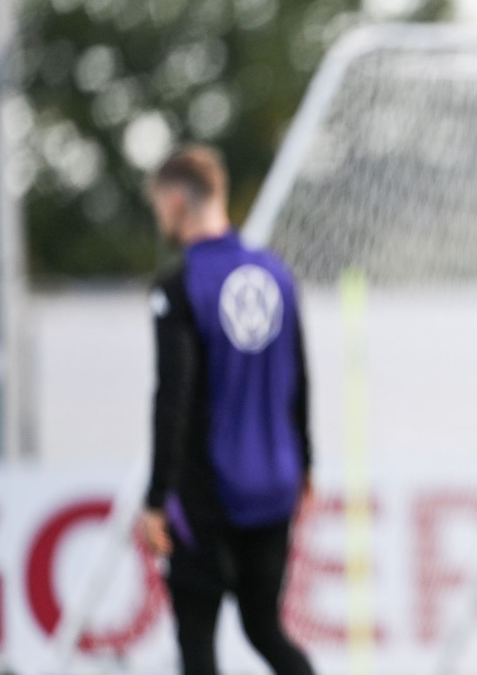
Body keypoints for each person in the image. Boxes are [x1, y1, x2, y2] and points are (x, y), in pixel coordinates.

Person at [138, 144, 317, 675]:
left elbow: (173, 397)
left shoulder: (180, 286)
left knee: (197, 639)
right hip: (276, 484)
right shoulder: (276, 273)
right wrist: (306, 463)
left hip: (209, 493)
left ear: (175, 201)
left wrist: (156, 499)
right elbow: (300, 376)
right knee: (265, 628)